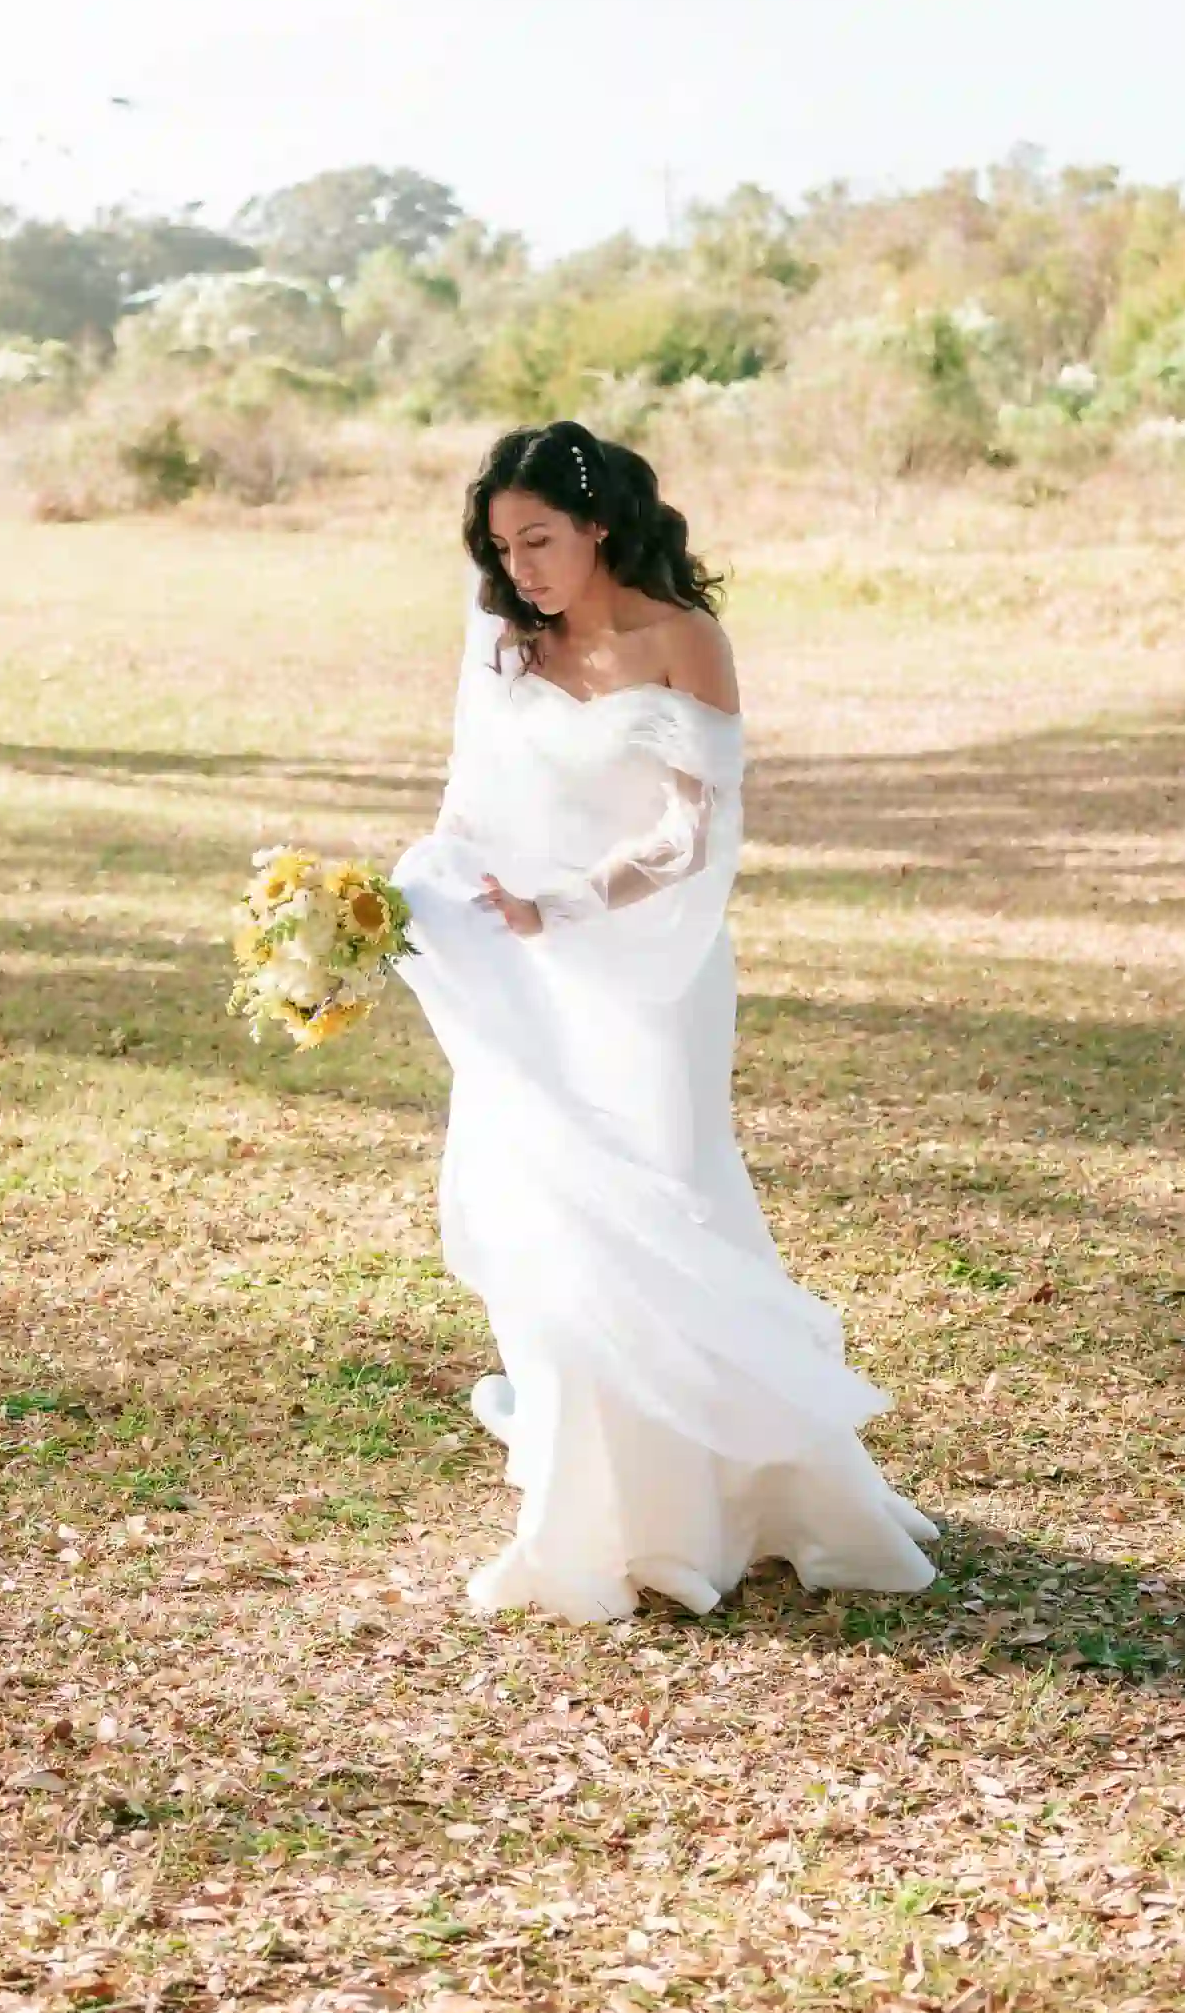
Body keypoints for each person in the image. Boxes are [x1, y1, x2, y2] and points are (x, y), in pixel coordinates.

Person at [394, 419, 937, 1625]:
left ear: (598, 524)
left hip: (649, 959)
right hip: (520, 966)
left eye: (540, 540)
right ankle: (601, 1500)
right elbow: (465, 805)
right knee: (553, 1211)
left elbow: (692, 834)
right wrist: (403, 902)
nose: (521, 568)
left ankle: (744, 1489)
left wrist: (563, 905)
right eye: (502, 547)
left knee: (671, 1195)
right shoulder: (505, 638)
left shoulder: (683, 640)